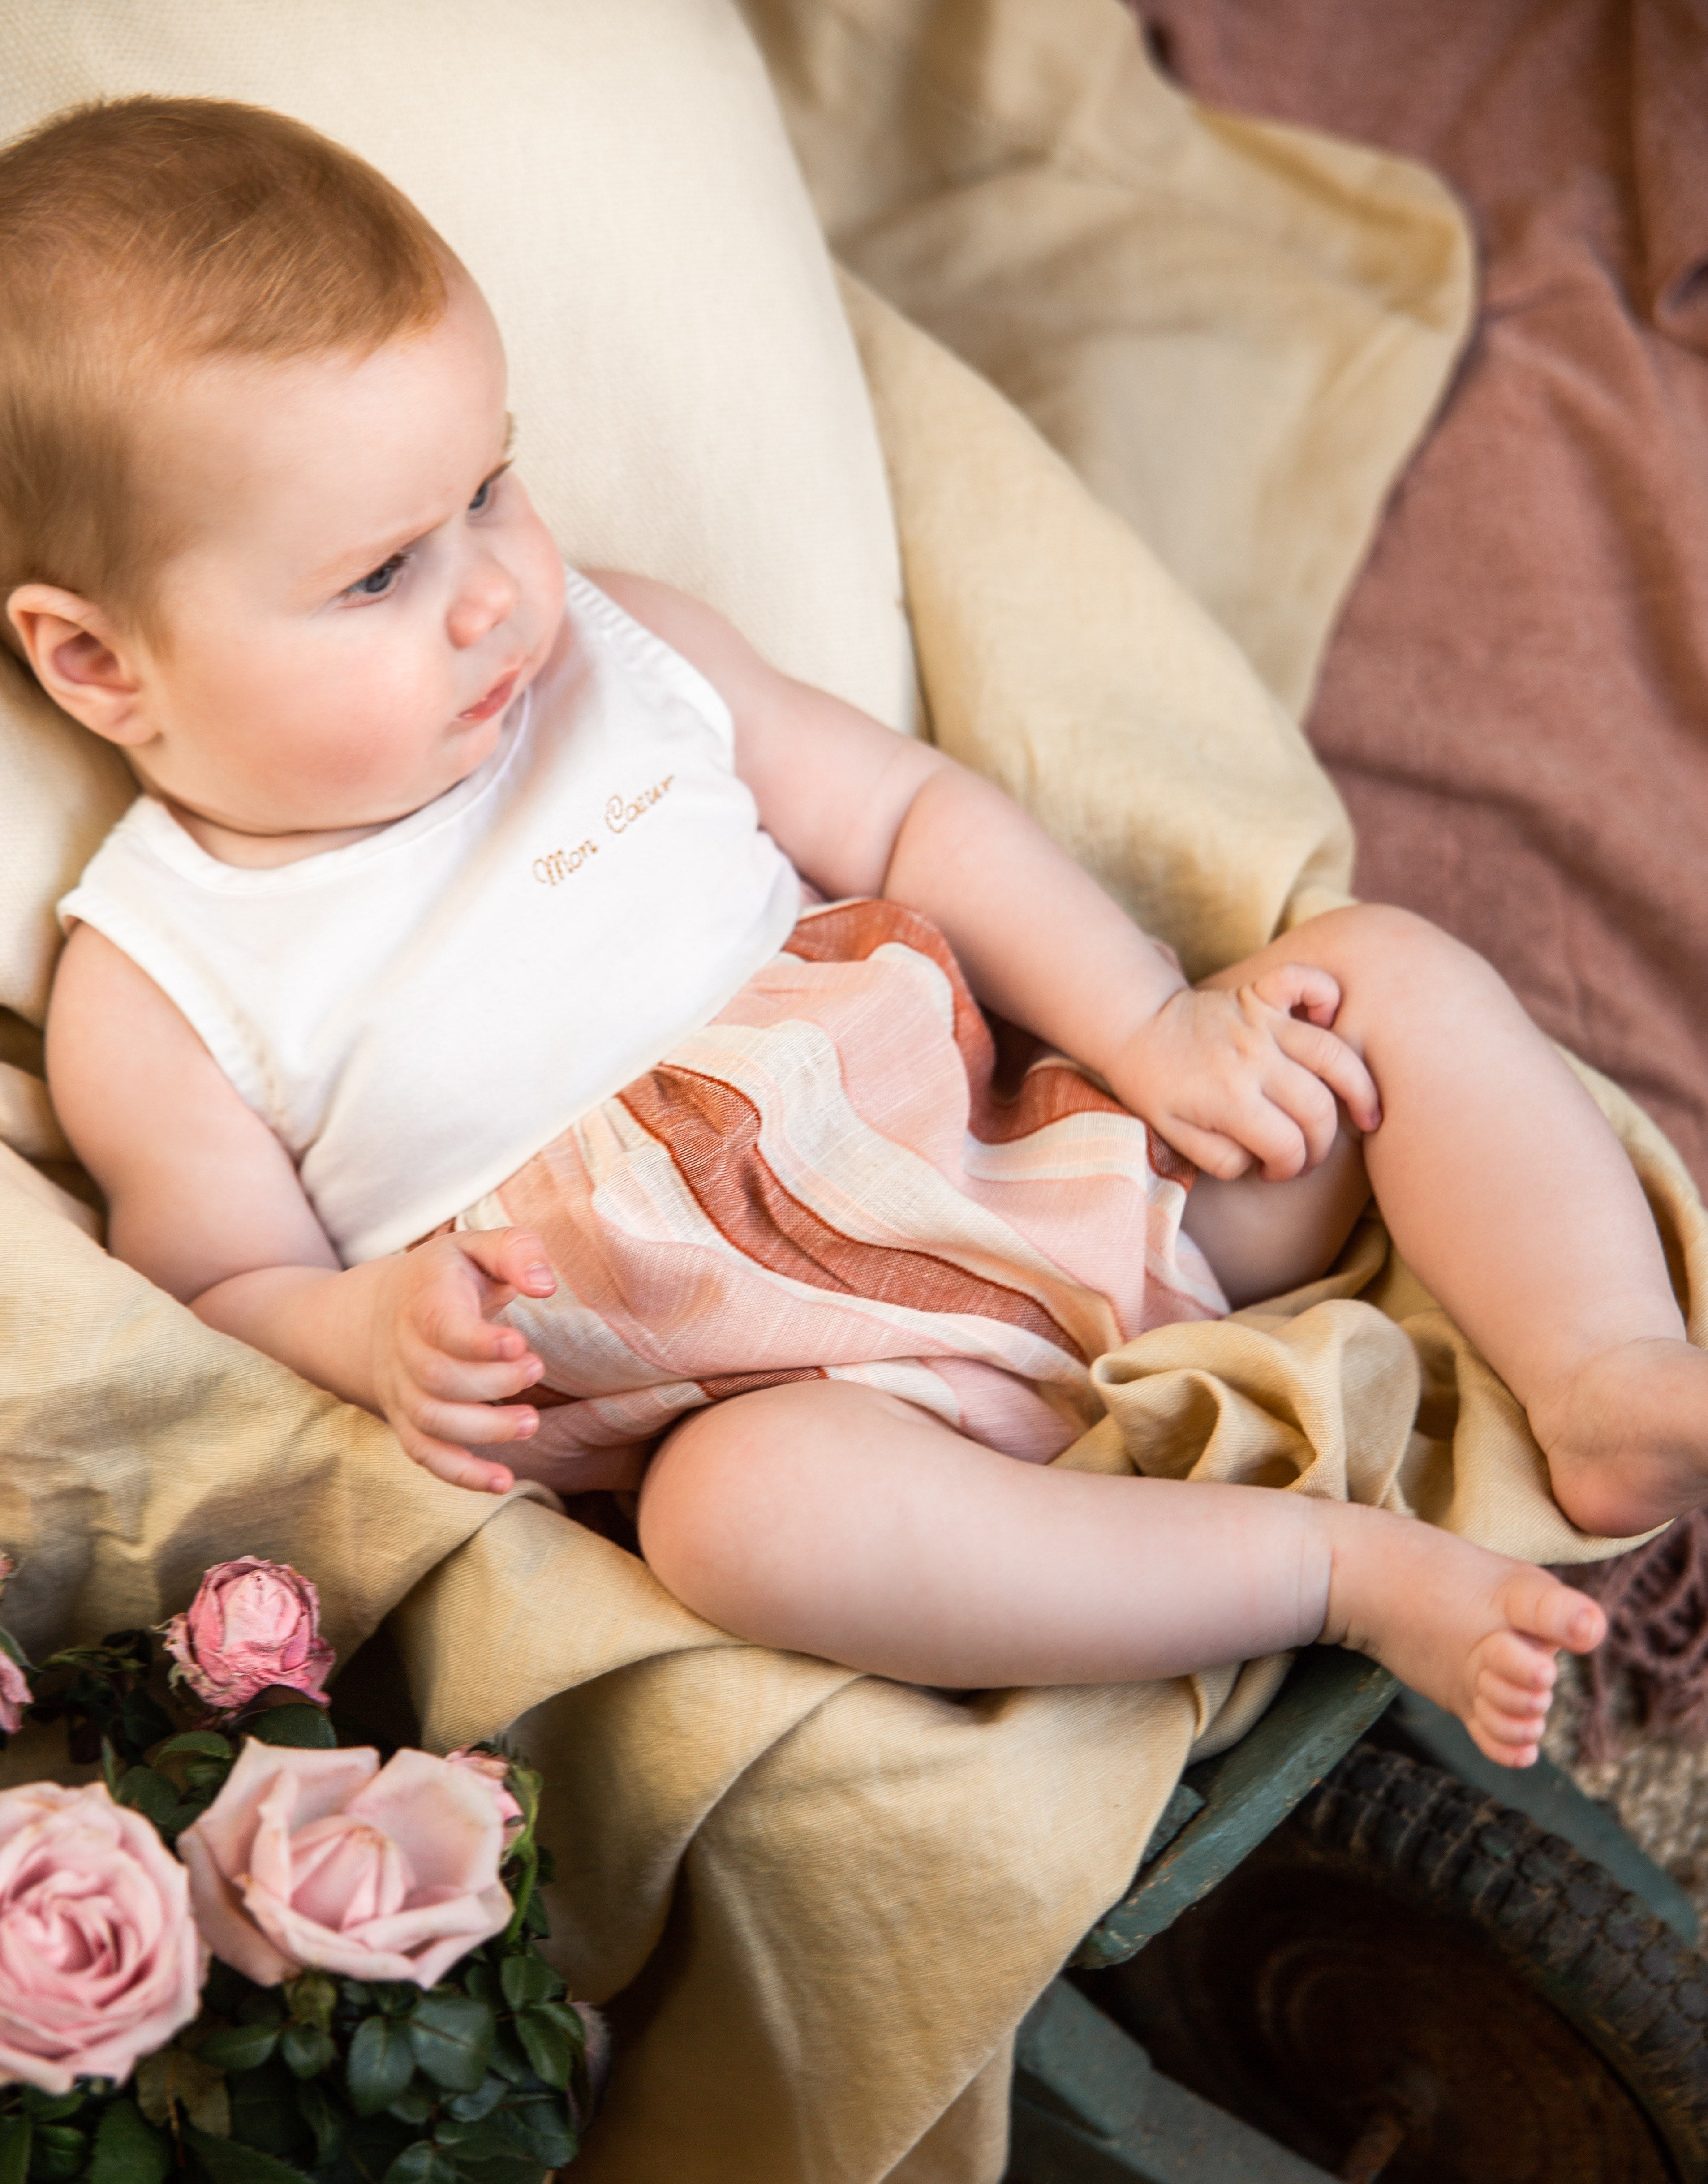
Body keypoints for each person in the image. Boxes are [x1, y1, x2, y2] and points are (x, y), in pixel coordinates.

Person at [11, 97, 1699, 1777]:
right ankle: (1327, 1572)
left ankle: (1606, 1372)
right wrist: (376, 1332)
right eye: (381, 572)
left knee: (1380, 980)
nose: (491, 591)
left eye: (492, 484)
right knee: (739, 1526)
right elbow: (228, 1288)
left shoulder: (623, 661)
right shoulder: (158, 984)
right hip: (806, 1413)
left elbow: (910, 818)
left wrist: (1152, 1031)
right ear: (97, 663)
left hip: (1046, 1161)